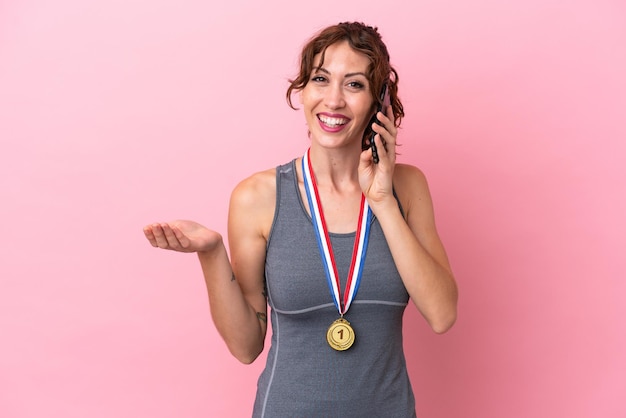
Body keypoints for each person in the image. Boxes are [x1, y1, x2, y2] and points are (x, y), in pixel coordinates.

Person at [143, 21, 458, 418]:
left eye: (354, 84)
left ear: (379, 104)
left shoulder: (407, 188)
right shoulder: (257, 198)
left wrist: (382, 200)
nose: (333, 100)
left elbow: (442, 314)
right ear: (303, 90)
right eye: (321, 79)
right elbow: (246, 346)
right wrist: (211, 252)